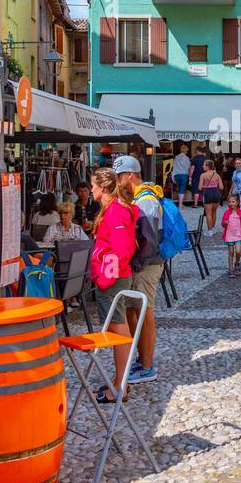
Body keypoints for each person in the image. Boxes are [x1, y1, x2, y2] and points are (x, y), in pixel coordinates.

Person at [87, 167, 140, 404]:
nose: (91, 189)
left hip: (113, 278)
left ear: (103, 187)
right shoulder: (114, 209)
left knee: (118, 331)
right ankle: (120, 380)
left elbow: (122, 248)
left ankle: (120, 386)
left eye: (93, 185)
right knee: (119, 330)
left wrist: (105, 278)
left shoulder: (115, 211)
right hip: (114, 276)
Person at [114, 154, 162, 386]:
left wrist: (138, 263)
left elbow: (149, 240)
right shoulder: (140, 198)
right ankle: (142, 360)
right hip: (143, 264)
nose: (117, 180)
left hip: (147, 265)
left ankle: (147, 366)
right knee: (137, 312)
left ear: (130, 175)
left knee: (146, 314)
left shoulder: (146, 201)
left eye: (119, 176)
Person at [221, 192, 241, 276]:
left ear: (237, 202)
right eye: (229, 202)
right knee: (231, 252)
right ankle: (231, 269)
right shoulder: (227, 213)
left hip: (238, 235)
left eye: (233, 202)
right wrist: (225, 222)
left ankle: (237, 263)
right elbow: (222, 224)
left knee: (238, 251)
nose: (231, 203)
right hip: (229, 235)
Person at [199, 159, 223, 231]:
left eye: (204, 165)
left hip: (208, 193)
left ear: (208, 166)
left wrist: (205, 186)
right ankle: (213, 228)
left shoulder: (203, 175)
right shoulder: (217, 175)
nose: (202, 166)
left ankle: (210, 231)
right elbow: (221, 187)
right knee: (214, 212)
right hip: (216, 193)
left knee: (208, 213)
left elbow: (200, 188)